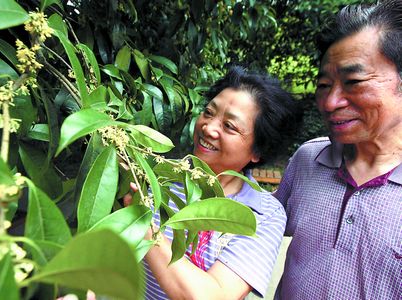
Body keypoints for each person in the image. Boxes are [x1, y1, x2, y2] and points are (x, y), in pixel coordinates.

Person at [132, 66, 299, 299]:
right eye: (209, 113)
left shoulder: (263, 215)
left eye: (229, 126)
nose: (208, 128)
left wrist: (143, 227)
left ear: (258, 151)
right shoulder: (156, 176)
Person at [274, 1, 402, 299]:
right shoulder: (308, 159)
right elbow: (258, 222)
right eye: (323, 84)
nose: (330, 103)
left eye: (354, 82)